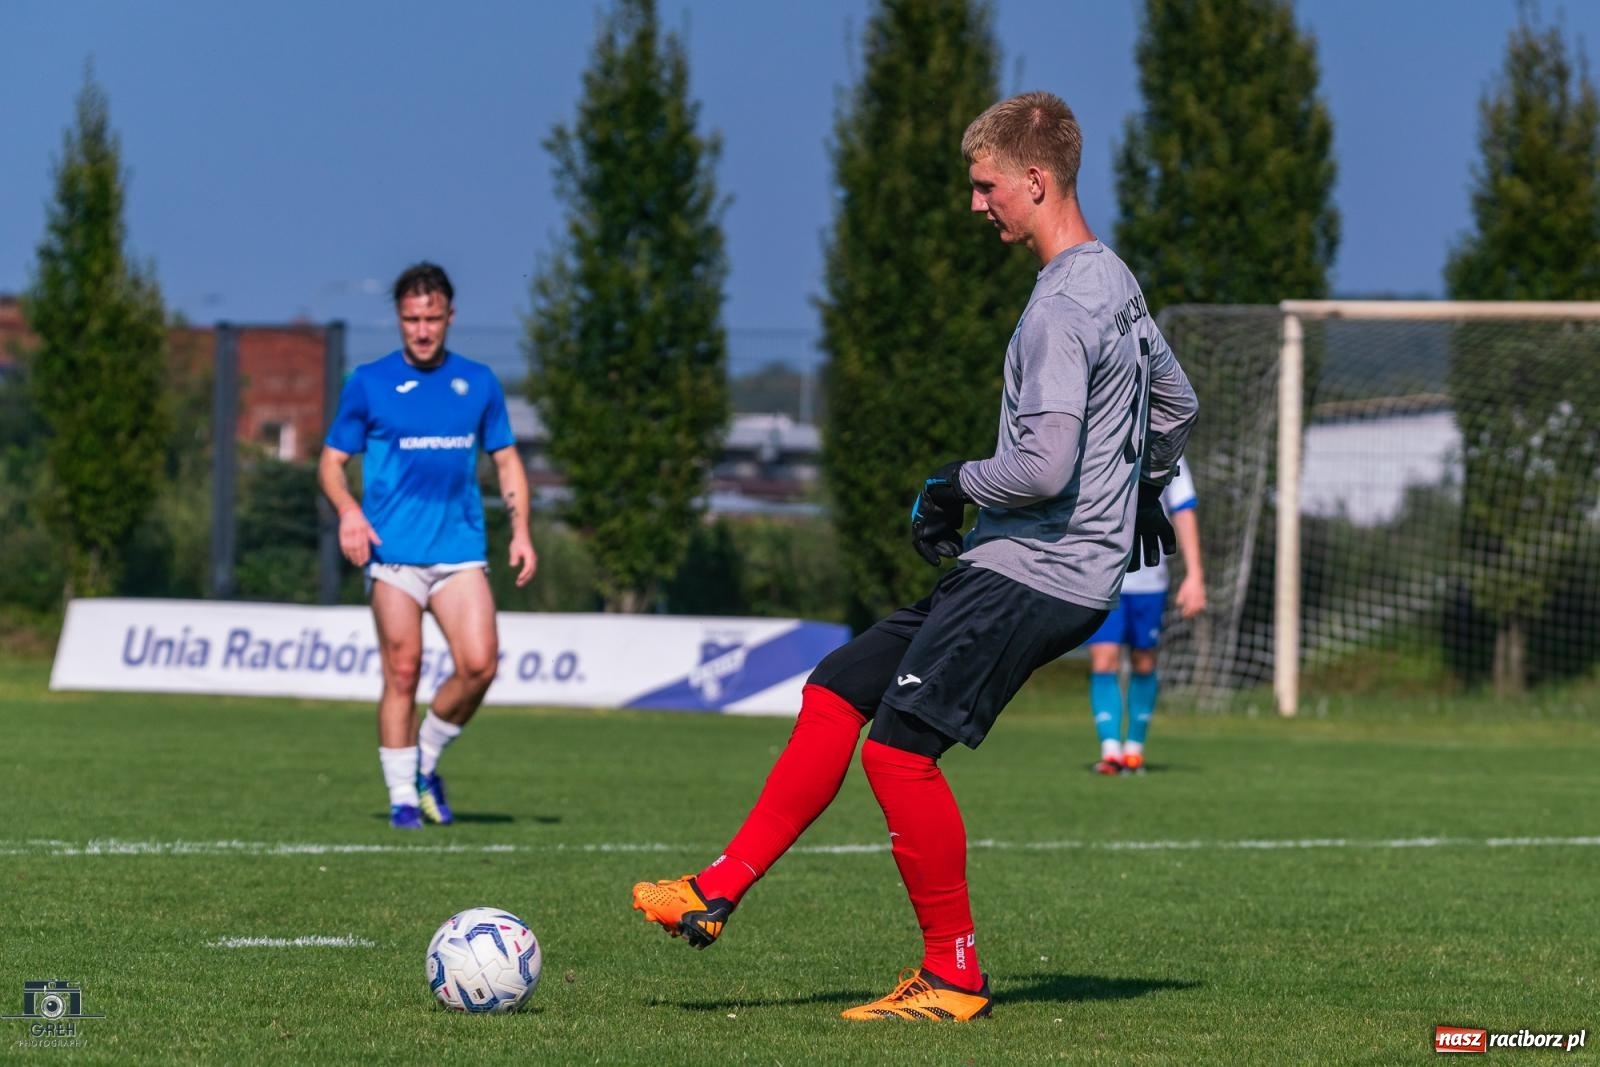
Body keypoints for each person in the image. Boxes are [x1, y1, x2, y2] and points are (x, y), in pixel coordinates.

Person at [631, 92, 1197, 1021]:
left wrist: (954, 482)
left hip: (1036, 571)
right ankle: (718, 887)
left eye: (986, 187)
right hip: (1024, 560)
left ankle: (955, 975)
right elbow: (1175, 408)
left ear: (1035, 180)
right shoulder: (1118, 285)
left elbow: (1044, 462)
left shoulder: (1063, 304)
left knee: (898, 754)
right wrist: (1134, 490)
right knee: (839, 685)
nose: (977, 205)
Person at [318, 262, 536, 830]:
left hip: (459, 549)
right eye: (412, 319)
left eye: (432, 318)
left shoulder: (479, 382)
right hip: (392, 555)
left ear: (449, 317)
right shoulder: (368, 382)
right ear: (399, 318)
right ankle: (402, 799)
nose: (421, 330)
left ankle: (426, 756)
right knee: (403, 670)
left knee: (481, 665)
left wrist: (520, 531)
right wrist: (348, 512)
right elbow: (331, 463)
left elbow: (506, 458)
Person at [1088, 460, 1206, 775]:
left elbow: (1183, 509)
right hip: (1101, 577)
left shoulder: (1169, 452)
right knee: (1103, 659)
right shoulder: (1100, 441)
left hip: (1150, 581)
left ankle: (1134, 750)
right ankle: (1110, 750)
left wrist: (1194, 575)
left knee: (1144, 660)